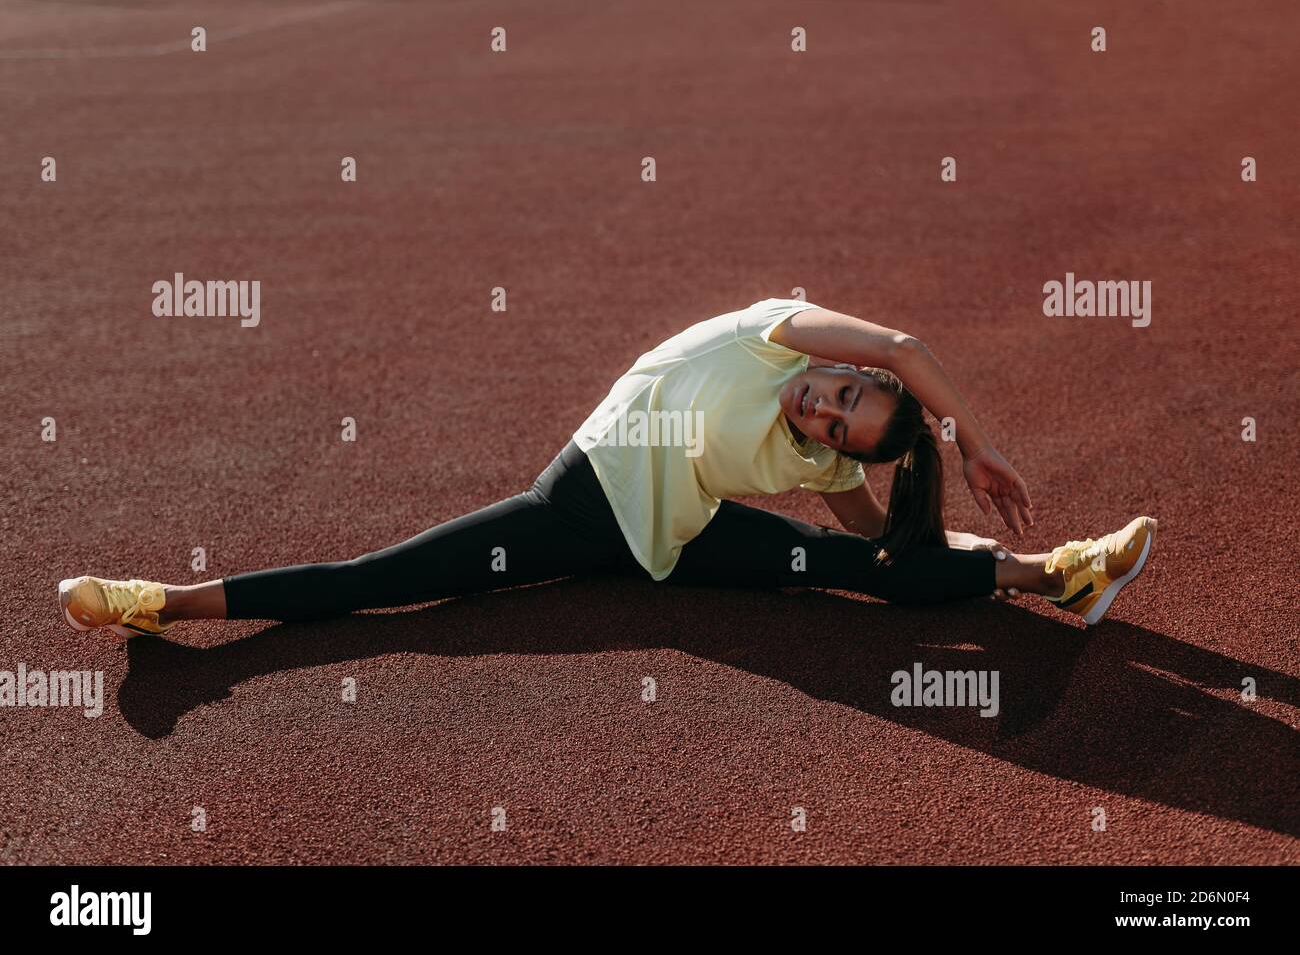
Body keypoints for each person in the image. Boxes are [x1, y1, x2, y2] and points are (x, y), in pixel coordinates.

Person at [58, 298, 1156, 639]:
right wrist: (972, 437)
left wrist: (914, 522)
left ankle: (1057, 572)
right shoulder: (771, 332)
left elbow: (872, 531)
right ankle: (162, 600)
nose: (823, 407)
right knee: (377, 582)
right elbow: (904, 351)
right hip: (573, 510)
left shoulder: (806, 455)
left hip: (679, 545)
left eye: (838, 427)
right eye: (841, 392)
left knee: (860, 565)